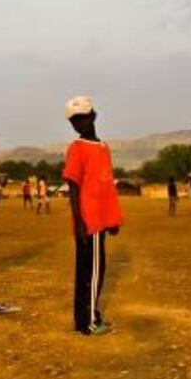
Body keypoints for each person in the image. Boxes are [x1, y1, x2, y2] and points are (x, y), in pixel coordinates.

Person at [62, 96, 123, 336]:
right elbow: (73, 187)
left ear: (93, 116)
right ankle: (89, 322)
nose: (78, 124)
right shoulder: (77, 148)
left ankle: (83, 320)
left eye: (82, 118)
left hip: (101, 219)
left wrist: (113, 219)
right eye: (74, 120)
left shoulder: (102, 147)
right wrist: (79, 221)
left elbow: (106, 187)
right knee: (93, 271)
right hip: (89, 220)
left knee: (91, 269)